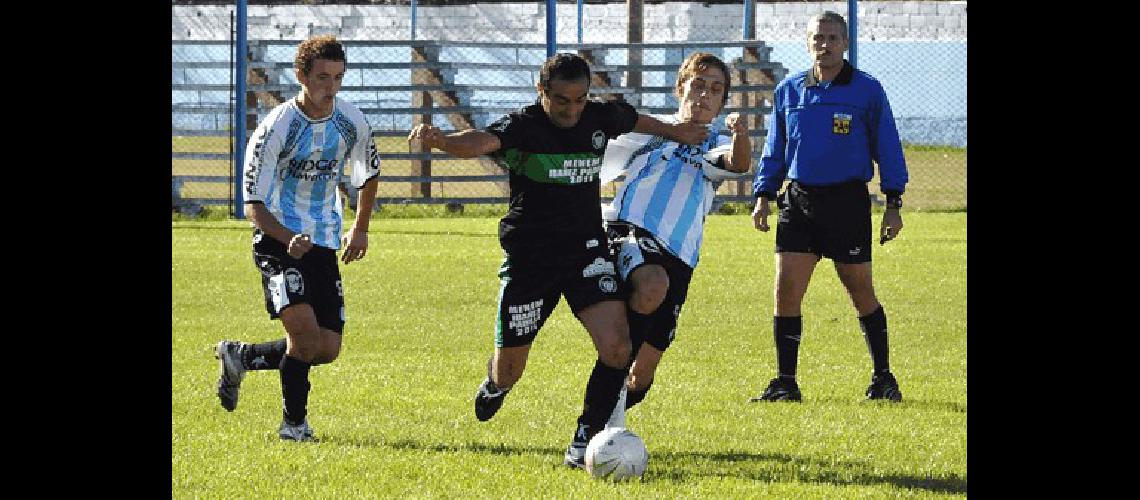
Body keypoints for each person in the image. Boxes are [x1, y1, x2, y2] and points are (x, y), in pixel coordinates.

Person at [407, 52, 707, 468]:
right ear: (541, 91)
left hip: (585, 250)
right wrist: (442, 141)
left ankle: (584, 442)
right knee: (511, 368)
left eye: (579, 99)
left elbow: (637, 120)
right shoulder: (523, 125)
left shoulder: (600, 117)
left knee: (618, 347)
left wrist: (676, 131)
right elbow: (481, 141)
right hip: (531, 261)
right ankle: (496, 383)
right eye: (561, 100)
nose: (571, 109)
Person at [213, 34, 381, 441]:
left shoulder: (350, 120)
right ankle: (294, 426)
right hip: (276, 241)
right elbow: (252, 203)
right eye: (322, 77)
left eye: (338, 78)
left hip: (322, 241)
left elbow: (368, 174)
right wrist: (287, 238)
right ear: (301, 76)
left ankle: (241, 356)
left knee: (326, 348)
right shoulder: (276, 128)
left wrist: (359, 228)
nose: (331, 87)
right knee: (303, 337)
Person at [750, 11, 908, 403]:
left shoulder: (867, 91)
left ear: (846, 43)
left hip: (847, 204)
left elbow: (887, 146)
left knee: (860, 292)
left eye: (833, 37)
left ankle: (883, 378)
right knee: (785, 292)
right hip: (799, 201)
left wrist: (893, 201)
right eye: (818, 38)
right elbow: (775, 149)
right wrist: (763, 195)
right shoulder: (789, 91)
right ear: (808, 43)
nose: (825, 44)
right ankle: (786, 382)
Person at [599, 52, 750, 418]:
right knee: (649, 287)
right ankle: (602, 419)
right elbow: (595, 145)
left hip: (680, 255)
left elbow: (737, 164)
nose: (704, 95)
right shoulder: (651, 132)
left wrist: (741, 135)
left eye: (715, 90)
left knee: (642, 375)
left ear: (721, 102)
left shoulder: (714, 143)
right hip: (629, 232)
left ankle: (619, 398)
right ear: (680, 88)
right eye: (698, 85)